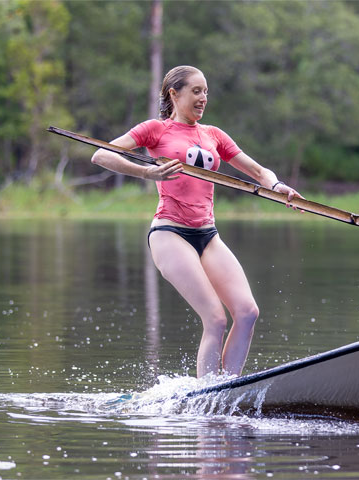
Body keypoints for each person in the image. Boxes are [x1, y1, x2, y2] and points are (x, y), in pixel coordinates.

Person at [91, 65, 302, 378]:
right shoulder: (155, 129)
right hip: (170, 233)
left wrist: (276, 186)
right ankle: (207, 396)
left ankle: (229, 389)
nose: (203, 98)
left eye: (206, 92)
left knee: (247, 313)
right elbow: (101, 155)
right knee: (215, 318)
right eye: (196, 91)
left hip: (207, 235)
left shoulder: (213, 135)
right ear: (174, 94)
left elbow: (258, 172)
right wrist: (146, 172)